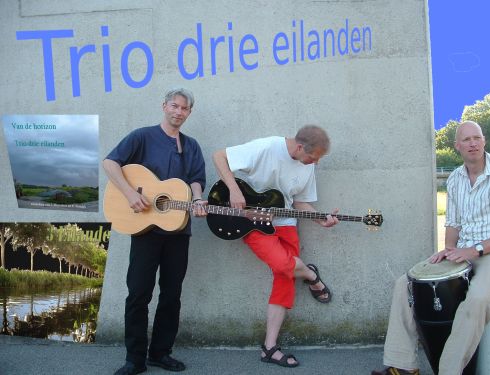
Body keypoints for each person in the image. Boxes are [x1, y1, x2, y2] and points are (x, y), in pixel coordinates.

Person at [372, 121, 490, 375]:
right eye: (466, 140)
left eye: (477, 138)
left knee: (479, 300)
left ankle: (449, 371)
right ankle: (403, 366)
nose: (473, 143)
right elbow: (452, 224)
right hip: (463, 252)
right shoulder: (454, 179)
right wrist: (448, 249)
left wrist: (474, 250)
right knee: (404, 284)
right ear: (457, 146)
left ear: (484, 141)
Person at [212, 125, 340, 367]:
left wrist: (320, 218)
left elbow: (299, 201)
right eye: (313, 157)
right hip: (254, 224)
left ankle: (269, 348)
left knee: (285, 277)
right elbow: (219, 155)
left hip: (287, 224)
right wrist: (234, 189)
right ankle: (311, 275)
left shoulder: (308, 165)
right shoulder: (267, 147)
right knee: (284, 265)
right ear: (300, 147)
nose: (315, 163)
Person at [103, 88, 206, 375]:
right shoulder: (142, 136)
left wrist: (197, 199)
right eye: (174, 106)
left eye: (184, 109)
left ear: (189, 113)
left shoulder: (191, 146)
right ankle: (134, 359)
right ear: (164, 106)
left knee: (171, 295)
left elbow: (196, 179)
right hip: (144, 230)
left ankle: (160, 353)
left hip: (178, 231)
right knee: (138, 294)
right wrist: (129, 194)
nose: (178, 112)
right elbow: (110, 162)